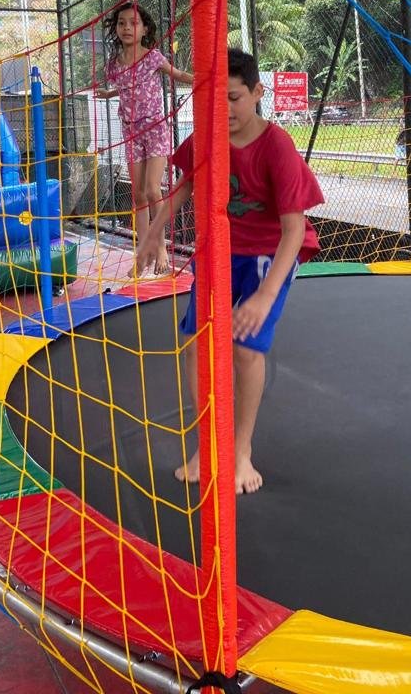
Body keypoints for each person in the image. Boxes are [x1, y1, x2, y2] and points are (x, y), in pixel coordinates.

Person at [136, 48, 324, 495]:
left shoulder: (276, 146)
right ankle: (209, 443)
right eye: (214, 101)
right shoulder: (208, 136)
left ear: (257, 93)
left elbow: (294, 230)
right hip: (220, 250)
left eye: (234, 98)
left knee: (244, 349)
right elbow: (185, 186)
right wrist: (153, 235)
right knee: (196, 344)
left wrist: (264, 296)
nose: (225, 110)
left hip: (268, 253)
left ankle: (240, 450)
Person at [95, 0, 192, 276]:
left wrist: (202, 78)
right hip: (131, 132)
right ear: (116, 29)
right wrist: (109, 93)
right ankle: (141, 254)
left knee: (152, 189)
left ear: (144, 29)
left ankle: (161, 249)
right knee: (138, 196)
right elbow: (127, 85)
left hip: (155, 128)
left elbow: (177, 74)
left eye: (133, 23)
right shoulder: (114, 65)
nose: (127, 28)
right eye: (121, 23)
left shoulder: (153, 57)